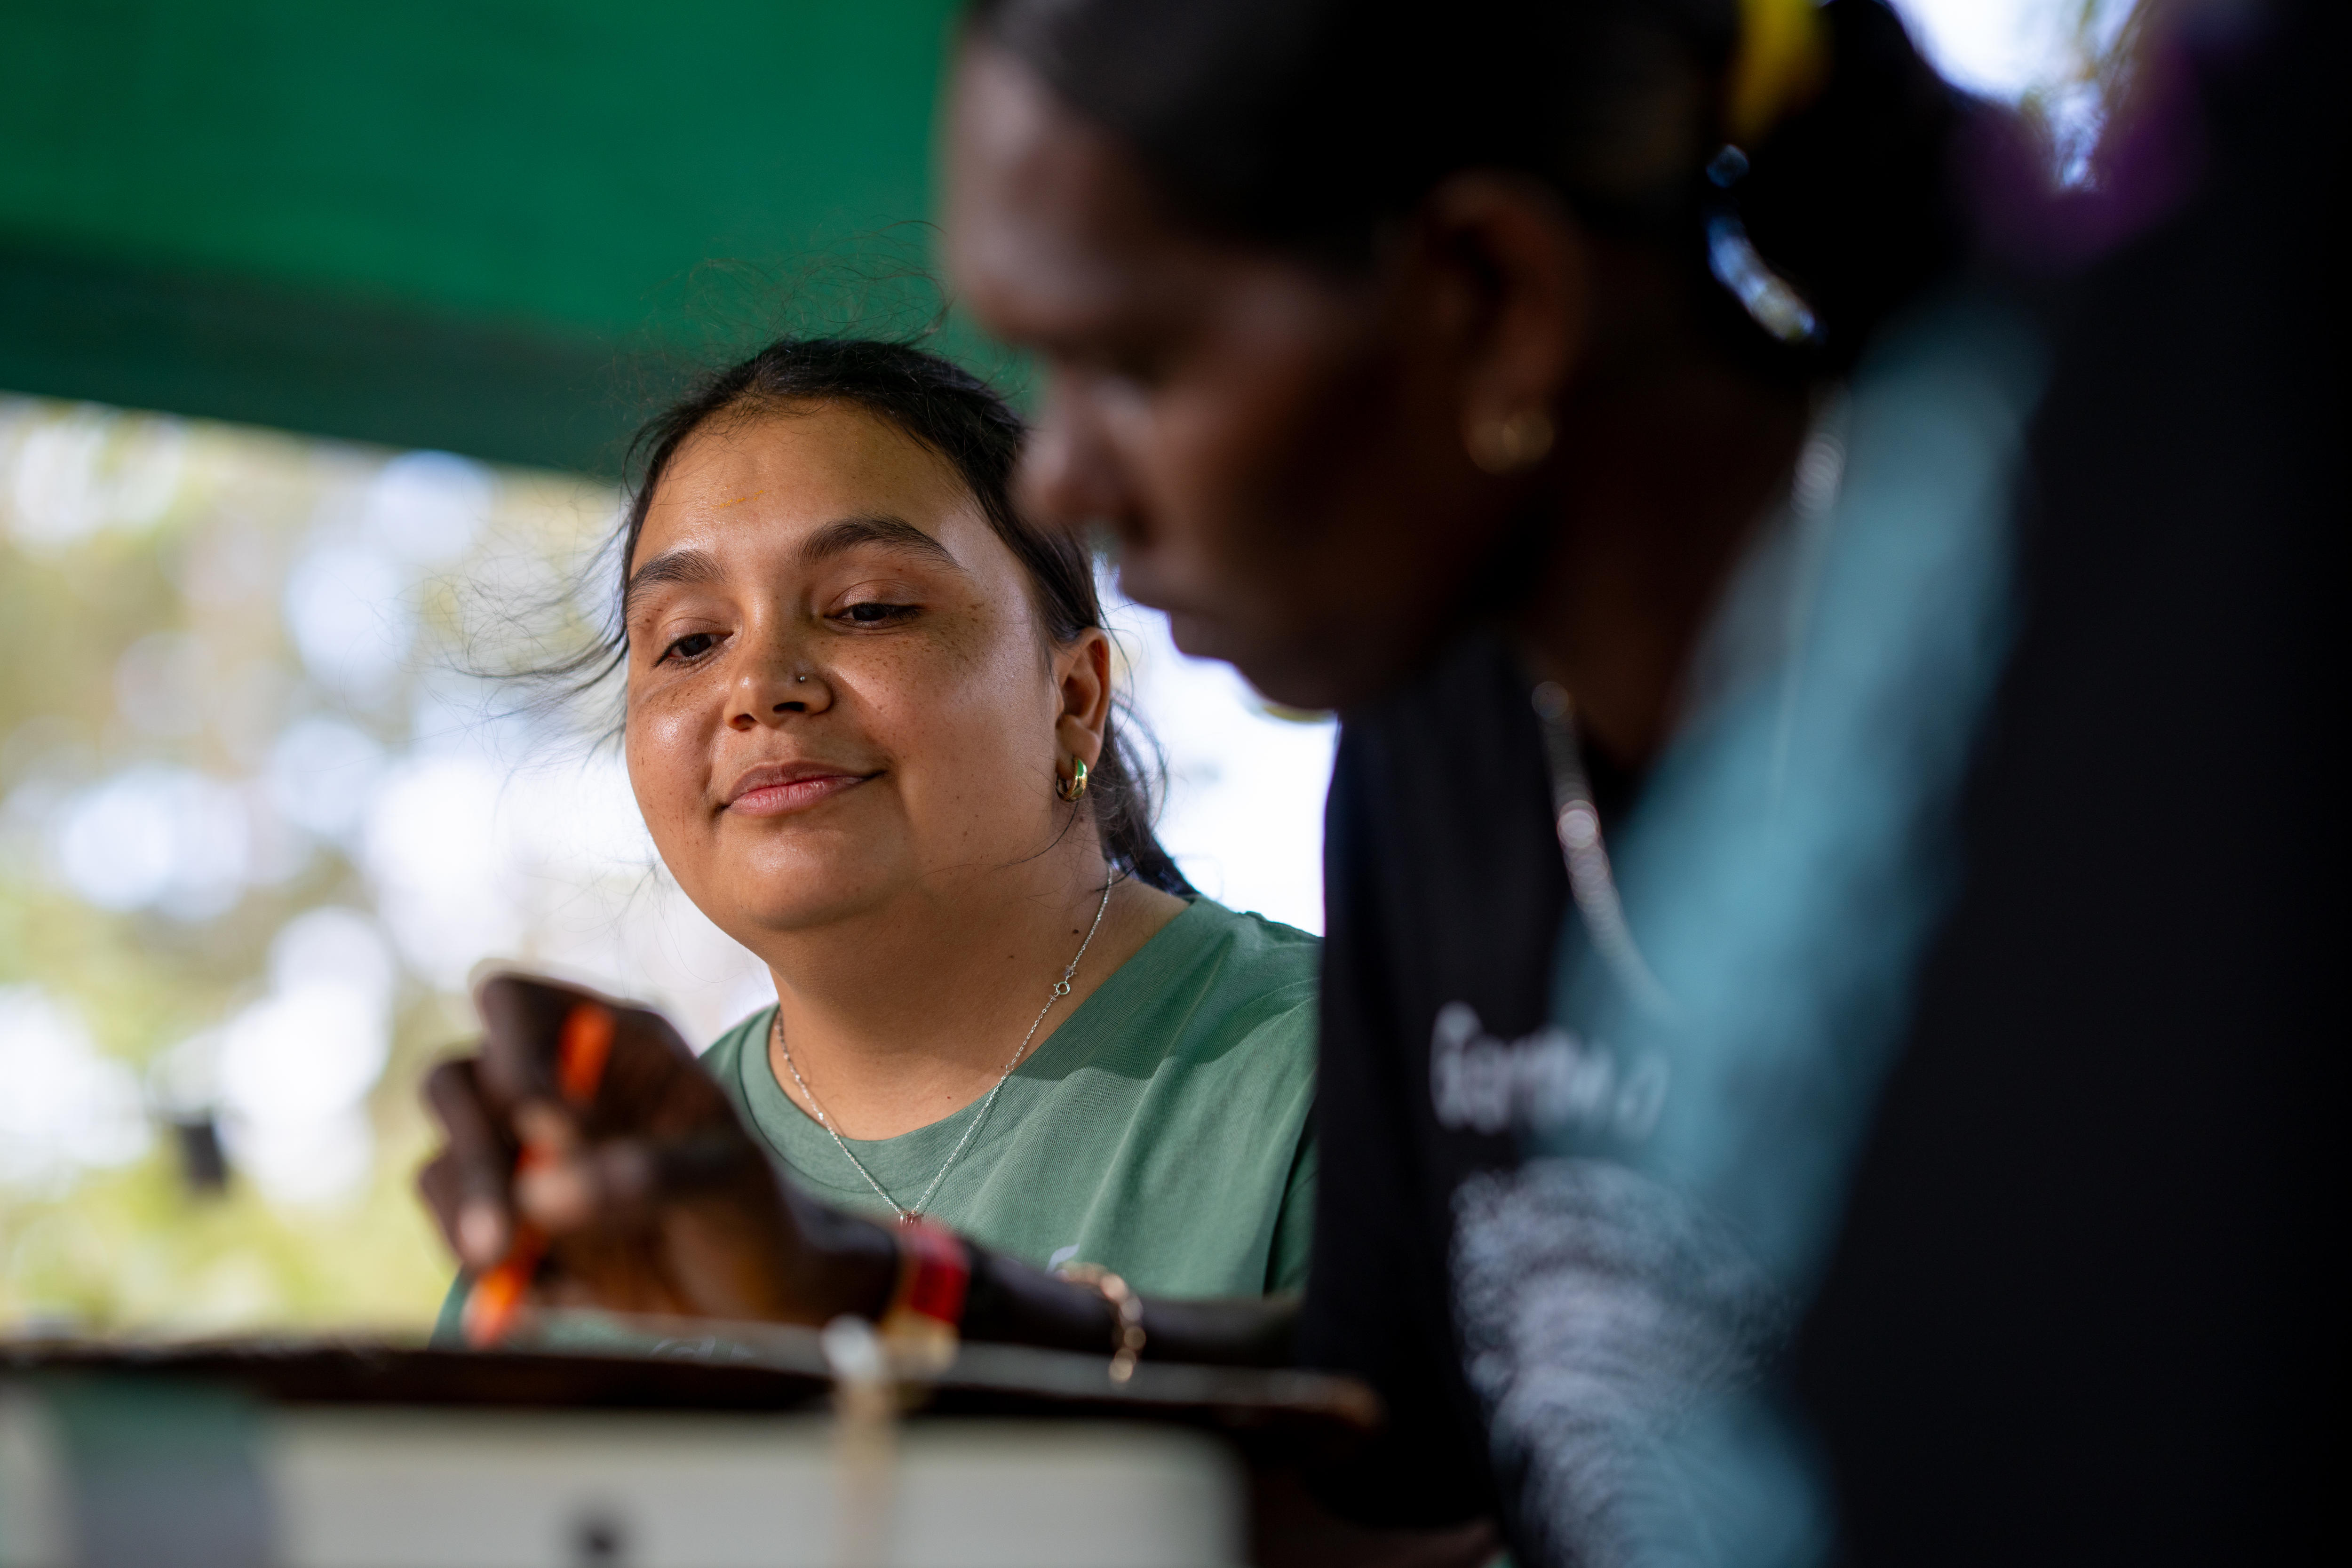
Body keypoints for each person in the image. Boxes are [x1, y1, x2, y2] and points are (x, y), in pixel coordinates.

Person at [420, 338, 1320, 1337]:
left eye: (867, 608)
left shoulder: (1340, 1069)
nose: (760, 686)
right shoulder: (592, 1185)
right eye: (690, 641)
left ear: (1074, 697)